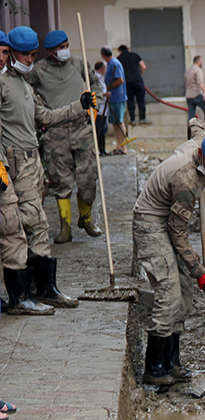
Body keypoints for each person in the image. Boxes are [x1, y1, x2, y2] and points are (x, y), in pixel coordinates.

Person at [2, 26, 96, 311]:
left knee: (37, 223)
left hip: (31, 162)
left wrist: (79, 106)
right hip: (11, 164)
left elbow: (45, 116)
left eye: (32, 55)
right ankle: (22, 296)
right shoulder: (3, 84)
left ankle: (45, 289)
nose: (29, 60)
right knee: (17, 228)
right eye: (23, 55)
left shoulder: (24, 85)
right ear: (11, 54)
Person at [133, 119, 205, 385]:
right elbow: (177, 232)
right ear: (201, 155)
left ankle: (171, 361)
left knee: (185, 293)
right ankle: (154, 368)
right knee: (169, 292)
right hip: (150, 221)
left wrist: (193, 276)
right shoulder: (186, 181)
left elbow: (195, 122)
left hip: (169, 218)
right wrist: (198, 270)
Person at [28, 30, 104, 244]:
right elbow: (24, 90)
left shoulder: (78, 63)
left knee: (88, 178)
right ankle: (65, 227)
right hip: (55, 132)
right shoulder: (38, 71)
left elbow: (95, 83)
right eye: (60, 48)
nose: (65, 51)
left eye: (66, 46)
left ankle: (86, 218)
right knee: (61, 181)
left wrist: (94, 107)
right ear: (51, 52)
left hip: (82, 128)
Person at [101, 46, 129, 154]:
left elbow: (120, 80)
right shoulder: (110, 64)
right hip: (113, 98)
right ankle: (119, 146)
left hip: (118, 97)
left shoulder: (114, 64)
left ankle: (123, 147)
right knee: (115, 123)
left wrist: (108, 87)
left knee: (119, 122)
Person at [117, 44, 150, 125]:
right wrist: (139, 74)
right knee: (141, 100)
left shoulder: (119, 59)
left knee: (130, 100)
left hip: (127, 82)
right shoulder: (135, 55)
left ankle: (132, 120)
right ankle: (142, 119)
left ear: (120, 51)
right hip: (137, 80)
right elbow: (143, 66)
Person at [185, 55, 205, 127]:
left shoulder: (188, 71)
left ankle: (190, 130)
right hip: (197, 94)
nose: (202, 63)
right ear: (199, 61)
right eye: (201, 62)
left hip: (189, 96)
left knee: (191, 115)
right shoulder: (198, 70)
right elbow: (200, 83)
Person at [94, 61, 109, 156]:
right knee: (98, 130)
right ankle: (98, 149)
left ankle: (102, 149)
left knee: (103, 130)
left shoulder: (101, 78)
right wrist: (106, 94)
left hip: (104, 108)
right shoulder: (96, 79)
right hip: (99, 108)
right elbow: (96, 92)